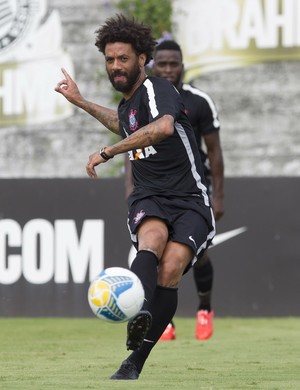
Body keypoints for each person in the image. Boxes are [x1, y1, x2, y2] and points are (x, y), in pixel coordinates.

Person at [55, 14, 215, 380]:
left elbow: (162, 127)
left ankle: (134, 362)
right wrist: (80, 101)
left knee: (171, 268)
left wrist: (109, 152)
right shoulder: (130, 104)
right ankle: (141, 309)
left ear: (142, 58)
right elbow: (122, 121)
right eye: (110, 60)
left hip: (190, 198)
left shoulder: (159, 89)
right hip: (150, 195)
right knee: (153, 238)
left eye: (123, 58)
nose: (116, 66)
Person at [124, 40, 224, 341]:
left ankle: (205, 308)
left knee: (198, 255)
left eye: (174, 64)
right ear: (153, 65)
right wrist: (131, 189)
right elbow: (135, 142)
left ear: (182, 66)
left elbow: (215, 152)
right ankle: (160, 320)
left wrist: (218, 194)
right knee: (156, 249)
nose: (168, 69)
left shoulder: (199, 102)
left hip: (192, 188)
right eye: (163, 64)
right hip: (154, 189)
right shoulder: (142, 98)